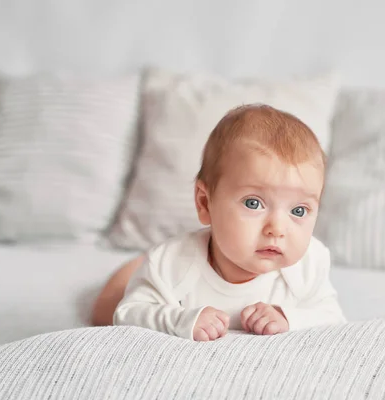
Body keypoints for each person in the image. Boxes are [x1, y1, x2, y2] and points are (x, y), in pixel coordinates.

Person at [91, 104, 346, 341]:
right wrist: (181, 319)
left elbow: (334, 318)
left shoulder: (309, 263)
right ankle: (131, 269)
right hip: (156, 269)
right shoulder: (171, 264)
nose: (277, 229)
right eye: (253, 203)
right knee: (103, 311)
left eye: (299, 210)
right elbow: (127, 314)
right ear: (204, 203)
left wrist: (289, 318)